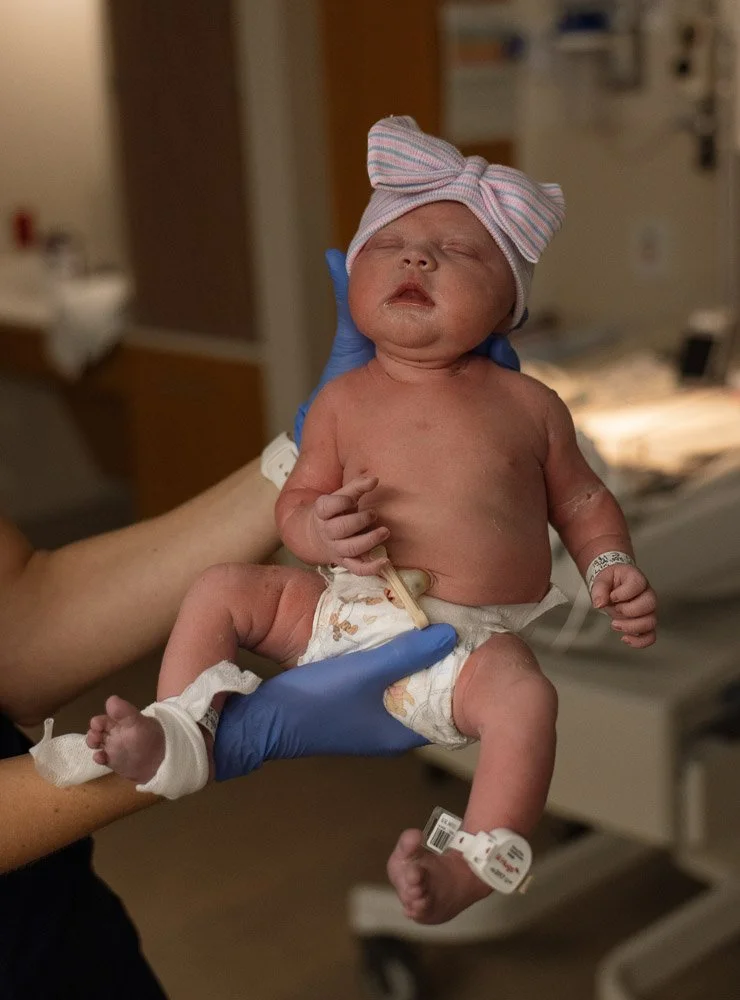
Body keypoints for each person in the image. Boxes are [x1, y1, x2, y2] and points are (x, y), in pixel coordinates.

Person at [81, 117, 658, 927]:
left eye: (459, 253)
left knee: (527, 701)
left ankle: (474, 864)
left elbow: (585, 501)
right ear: (354, 280)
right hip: (338, 610)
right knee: (221, 587)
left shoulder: (530, 406)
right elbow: (294, 502)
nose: (418, 259)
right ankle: (180, 731)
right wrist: (316, 529)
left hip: (467, 643)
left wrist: (609, 565)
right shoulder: (341, 403)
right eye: (391, 246)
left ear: (509, 309)